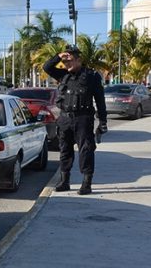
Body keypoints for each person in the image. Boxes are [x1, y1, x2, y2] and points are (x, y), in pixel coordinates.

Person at [42, 44, 107, 195]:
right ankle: (65, 181)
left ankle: (86, 183)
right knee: (65, 150)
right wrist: (59, 56)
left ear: (78, 60)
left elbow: (100, 100)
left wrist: (103, 121)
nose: (66, 64)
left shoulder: (91, 76)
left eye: (70, 61)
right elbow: (47, 67)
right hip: (65, 118)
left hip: (83, 119)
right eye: (65, 62)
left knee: (86, 150)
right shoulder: (63, 75)